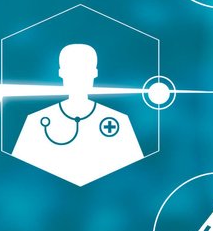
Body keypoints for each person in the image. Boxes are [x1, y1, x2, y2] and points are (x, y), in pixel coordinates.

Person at [11, 43, 143, 186]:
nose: (79, 78)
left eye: (84, 70)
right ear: (61, 73)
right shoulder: (36, 122)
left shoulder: (117, 122)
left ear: (95, 72)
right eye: (73, 71)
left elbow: (131, 176)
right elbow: (23, 176)